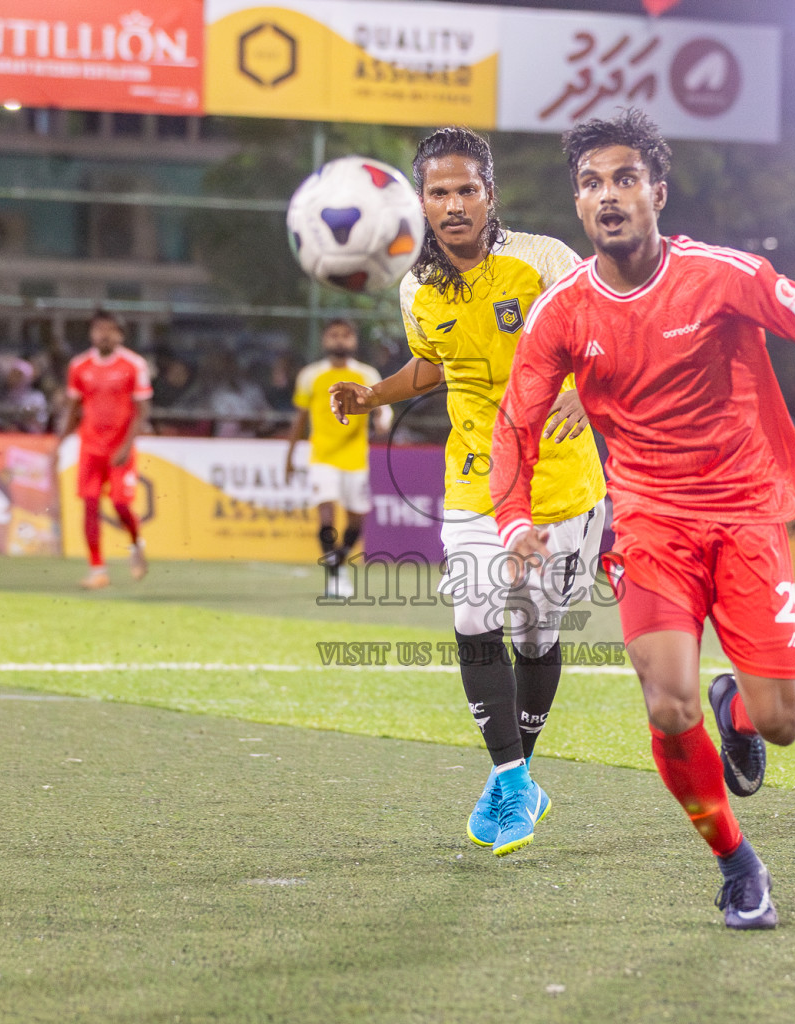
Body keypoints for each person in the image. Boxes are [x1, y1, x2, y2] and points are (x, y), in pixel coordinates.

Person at [489, 110, 795, 929]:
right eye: (593, 182)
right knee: (665, 703)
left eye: (625, 178)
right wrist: (512, 518)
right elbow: (515, 418)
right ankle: (737, 863)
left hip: (745, 517)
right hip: (647, 524)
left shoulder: (724, 276)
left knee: (781, 727)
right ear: (578, 205)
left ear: (657, 193)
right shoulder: (561, 311)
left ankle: (737, 701)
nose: (609, 195)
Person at [330, 126, 606, 858]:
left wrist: (590, 388)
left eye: (466, 190)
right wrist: (372, 394)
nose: (453, 205)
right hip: (475, 477)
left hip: (561, 480)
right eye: (438, 192)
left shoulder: (545, 261)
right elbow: (431, 366)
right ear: (420, 200)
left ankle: (515, 779)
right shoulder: (418, 287)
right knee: (475, 608)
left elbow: (603, 333)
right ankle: (513, 780)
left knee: (537, 634)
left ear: (490, 193)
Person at [286, 319, 389, 597]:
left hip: (356, 457)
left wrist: (383, 421)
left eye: (345, 335)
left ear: (354, 341)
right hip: (322, 456)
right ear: (324, 340)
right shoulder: (310, 376)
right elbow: (300, 420)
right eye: (334, 335)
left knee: (355, 521)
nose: (340, 340)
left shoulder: (367, 374)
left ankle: (340, 561)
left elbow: (383, 407)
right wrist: (289, 457)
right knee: (326, 513)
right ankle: (334, 575)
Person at [58, 310, 152, 589]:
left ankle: (136, 544)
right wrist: (61, 441)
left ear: (120, 335)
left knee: (121, 504)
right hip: (90, 447)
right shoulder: (79, 366)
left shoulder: (133, 365)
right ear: (91, 333)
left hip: (119, 448)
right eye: (99, 329)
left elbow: (142, 409)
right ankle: (97, 569)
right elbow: (74, 408)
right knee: (89, 505)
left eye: (110, 329)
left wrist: (127, 445)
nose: (104, 334)